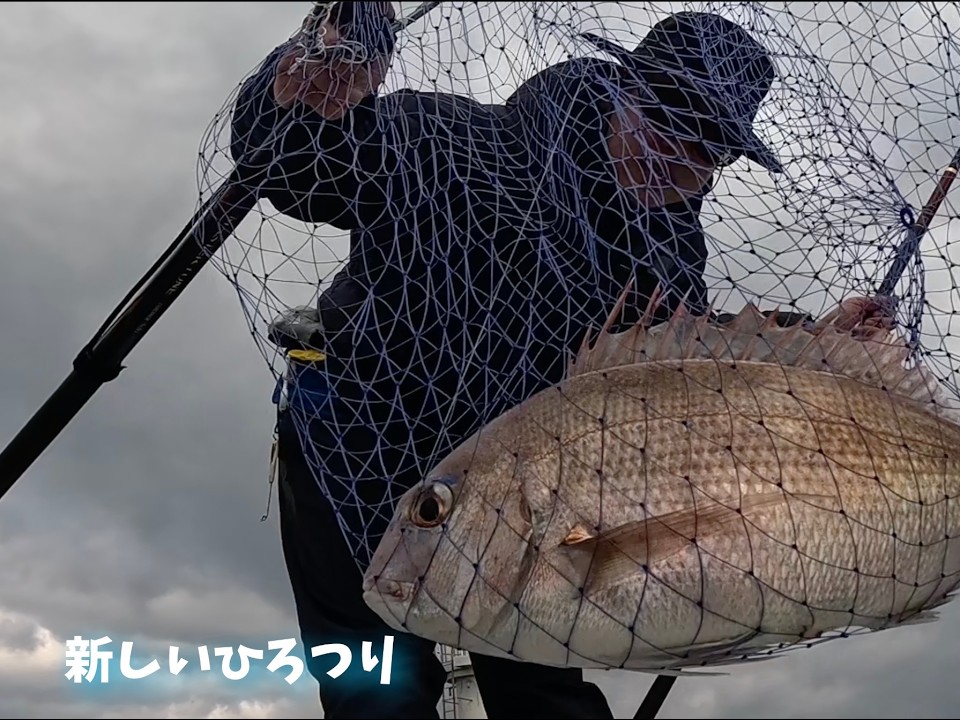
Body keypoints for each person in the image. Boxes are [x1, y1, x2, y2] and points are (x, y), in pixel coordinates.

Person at [229, 2, 788, 717]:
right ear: (623, 91)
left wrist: (814, 338)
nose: (682, 149)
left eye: (713, 143)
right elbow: (298, 171)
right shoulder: (447, 135)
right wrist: (303, 87)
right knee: (374, 684)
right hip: (354, 441)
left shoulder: (671, 261)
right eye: (669, 114)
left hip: (520, 491)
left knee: (542, 688)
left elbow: (681, 360)